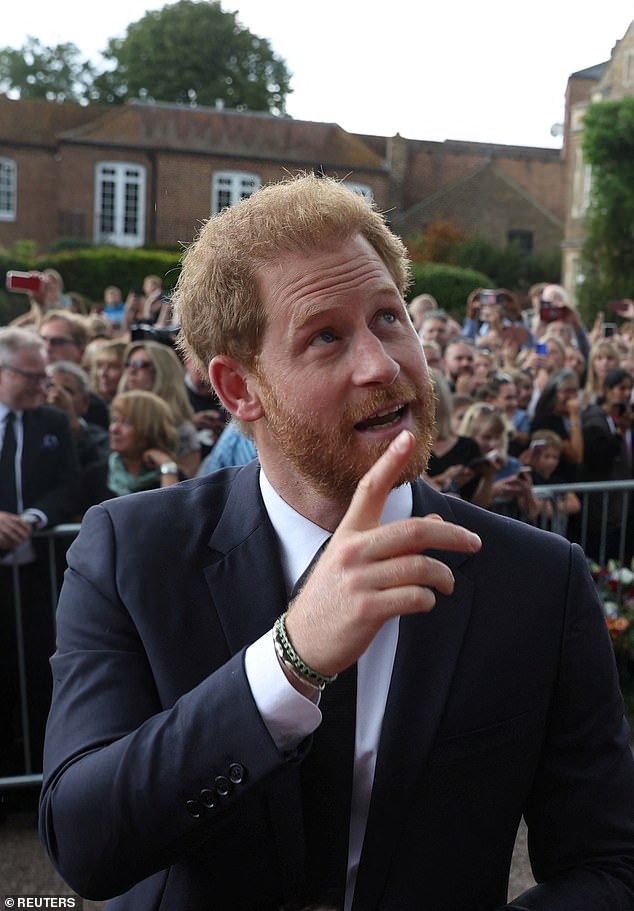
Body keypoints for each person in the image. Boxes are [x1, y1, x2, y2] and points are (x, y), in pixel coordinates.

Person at [40, 174, 634, 910]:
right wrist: (288, 661)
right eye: (326, 335)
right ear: (237, 388)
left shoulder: (538, 579)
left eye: (389, 317)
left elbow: (608, 864)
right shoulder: (131, 552)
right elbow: (86, 842)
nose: (382, 364)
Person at [0, 328, 79, 773]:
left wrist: (31, 520)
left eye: (43, 376)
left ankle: (36, 778)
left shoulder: (50, 422)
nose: (40, 385)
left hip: (37, 579)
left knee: (37, 676)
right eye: (30, 376)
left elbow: (69, 487)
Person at [79, 390, 183, 513]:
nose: (114, 429)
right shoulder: (96, 475)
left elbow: (174, 515)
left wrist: (167, 466)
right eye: (114, 420)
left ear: (150, 429)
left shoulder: (173, 475)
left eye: (126, 423)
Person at [118, 340, 201, 477]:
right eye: (128, 364)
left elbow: (188, 483)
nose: (131, 370)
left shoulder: (183, 430)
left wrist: (167, 465)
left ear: (162, 372)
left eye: (140, 365)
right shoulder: (116, 418)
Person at [39, 310, 110, 430]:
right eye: (42, 340)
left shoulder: (94, 406)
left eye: (57, 342)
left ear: (80, 350)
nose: (47, 347)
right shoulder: (27, 393)